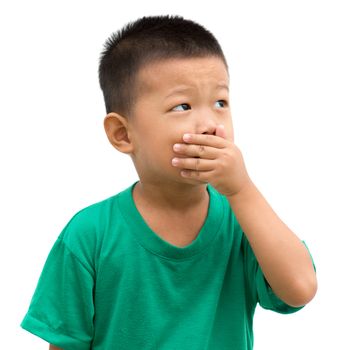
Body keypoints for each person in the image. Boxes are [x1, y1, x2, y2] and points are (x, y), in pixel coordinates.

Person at [21, 15, 317, 350]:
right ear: (122, 134)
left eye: (221, 102)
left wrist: (242, 190)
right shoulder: (89, 234)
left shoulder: (244, 221)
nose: (210, 124)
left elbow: (300, 288)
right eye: (183, 106)